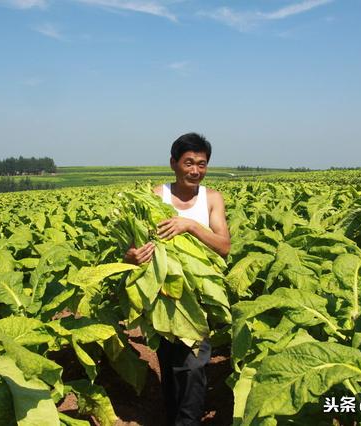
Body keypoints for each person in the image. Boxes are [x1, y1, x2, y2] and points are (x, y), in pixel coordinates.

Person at [124, 132, 230, 425]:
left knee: (193, 366)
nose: (195, 170)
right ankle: (171, 416)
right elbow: (131, 249)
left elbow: (224, 246)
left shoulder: (211, 199)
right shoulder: (156, 196)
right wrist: (132, 256)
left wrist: (191, 226)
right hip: (160, 297)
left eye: (202, 164)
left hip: (197, 297)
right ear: (173, 163)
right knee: (170, 364)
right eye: (188, 163)